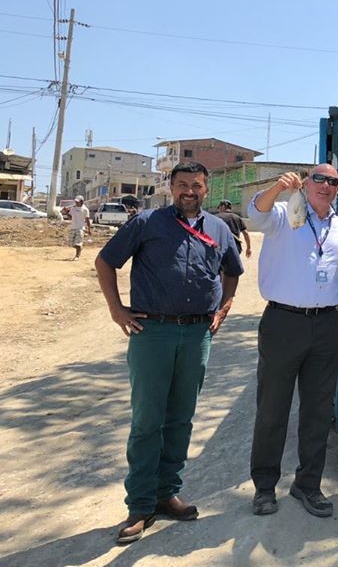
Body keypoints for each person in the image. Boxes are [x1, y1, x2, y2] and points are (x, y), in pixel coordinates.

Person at [95, 161, 242, 544]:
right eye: (182, 184)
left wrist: (223, 308)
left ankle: (167, 493)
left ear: (206, 189)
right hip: (153, 333)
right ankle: (140, 505)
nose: (189, 191)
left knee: (180, 418)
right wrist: (116, 309)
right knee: (148, 421)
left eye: (196, 185)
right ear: (171, 187)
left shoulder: (219, 228)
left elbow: (233, 271)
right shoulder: (147, 223)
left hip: (197, 335)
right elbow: (105, 261)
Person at [245, 165, 338, 518]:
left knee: (318, 411)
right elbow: (255, 213)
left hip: (325, 325)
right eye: (319, 179)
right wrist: (277, 187)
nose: (326, 185)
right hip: (283, 322)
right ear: (306, 184)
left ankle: (308, 484)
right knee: (272, 408)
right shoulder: (282, 213)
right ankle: (264, 487)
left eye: (333, 182)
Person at [68, 195, 91, 260]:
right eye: (76, 201)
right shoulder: (73, 208)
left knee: (78, 243)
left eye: (77, 201)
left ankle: (77, 256)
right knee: (71, 243)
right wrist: (66, 212)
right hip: (73, 227)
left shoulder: (85, 209)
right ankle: (80, 248)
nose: (76, 203)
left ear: (81, 202)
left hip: (80, 228)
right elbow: (70, 217)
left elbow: (87, 220)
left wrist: (89, 229)